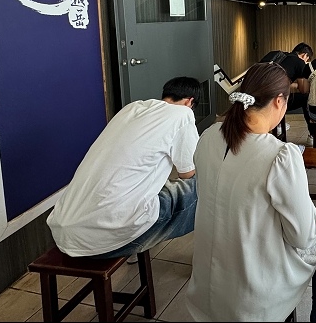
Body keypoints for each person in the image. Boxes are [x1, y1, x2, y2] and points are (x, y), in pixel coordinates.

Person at [185, 63, 316, 322]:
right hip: (252, 297)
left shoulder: (209, 136)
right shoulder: (279, 156)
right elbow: (303, 237)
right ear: (279, 101)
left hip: (204, 290)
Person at [47, 77, 202, 258]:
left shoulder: (131, 108)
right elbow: (188, 173)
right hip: (105, 239)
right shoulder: (182, 114)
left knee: (152, 185)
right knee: (203, 185)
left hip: (64, 231)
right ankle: (209, 258)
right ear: (190, 102)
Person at [260, 42, 313, 140]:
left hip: (260, 98)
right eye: (307, 59)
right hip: (274, 102)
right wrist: (297, 86)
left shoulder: (278, 56)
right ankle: (312, 135)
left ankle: (278, 124)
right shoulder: (299, 62)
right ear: (304, 55)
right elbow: (303, 89)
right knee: (306, 98)